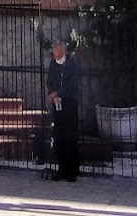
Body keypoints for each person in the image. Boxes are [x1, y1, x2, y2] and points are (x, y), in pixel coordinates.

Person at [46, 40, 80, 181]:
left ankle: (72, 171)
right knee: (59, 137)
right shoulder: (53, 64)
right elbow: (50, 81)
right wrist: (52, 94)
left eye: (58, 55)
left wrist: (58, 93)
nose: (57, 58)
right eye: (55, 55)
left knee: (70, 137)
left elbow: (73, 86)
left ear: (63, 52)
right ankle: (62, 169)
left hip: (69, 103)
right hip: (57, 104)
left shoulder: (72, 65)